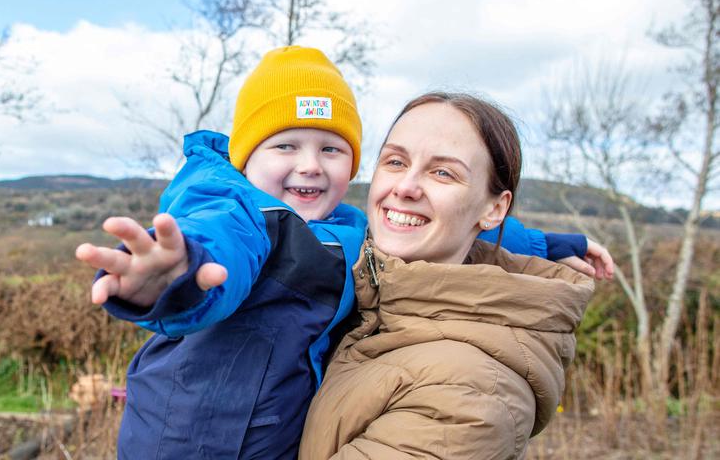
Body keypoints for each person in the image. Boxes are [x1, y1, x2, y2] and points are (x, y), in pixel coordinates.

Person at [75, 48, 606, 459]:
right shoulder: (241, 212)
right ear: (246, 158)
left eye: (330, 149)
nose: (310, 165)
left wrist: (557, 244)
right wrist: (174, 276)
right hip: (191, 439)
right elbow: (217, 250)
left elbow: (472, 231)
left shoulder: (348, 229)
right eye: (286, 146)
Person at [298, 92, 602, 459]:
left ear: (494, 209)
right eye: (395, 161)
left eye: (443, 172)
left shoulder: (470, 398)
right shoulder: (364, 292)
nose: (405, 187)